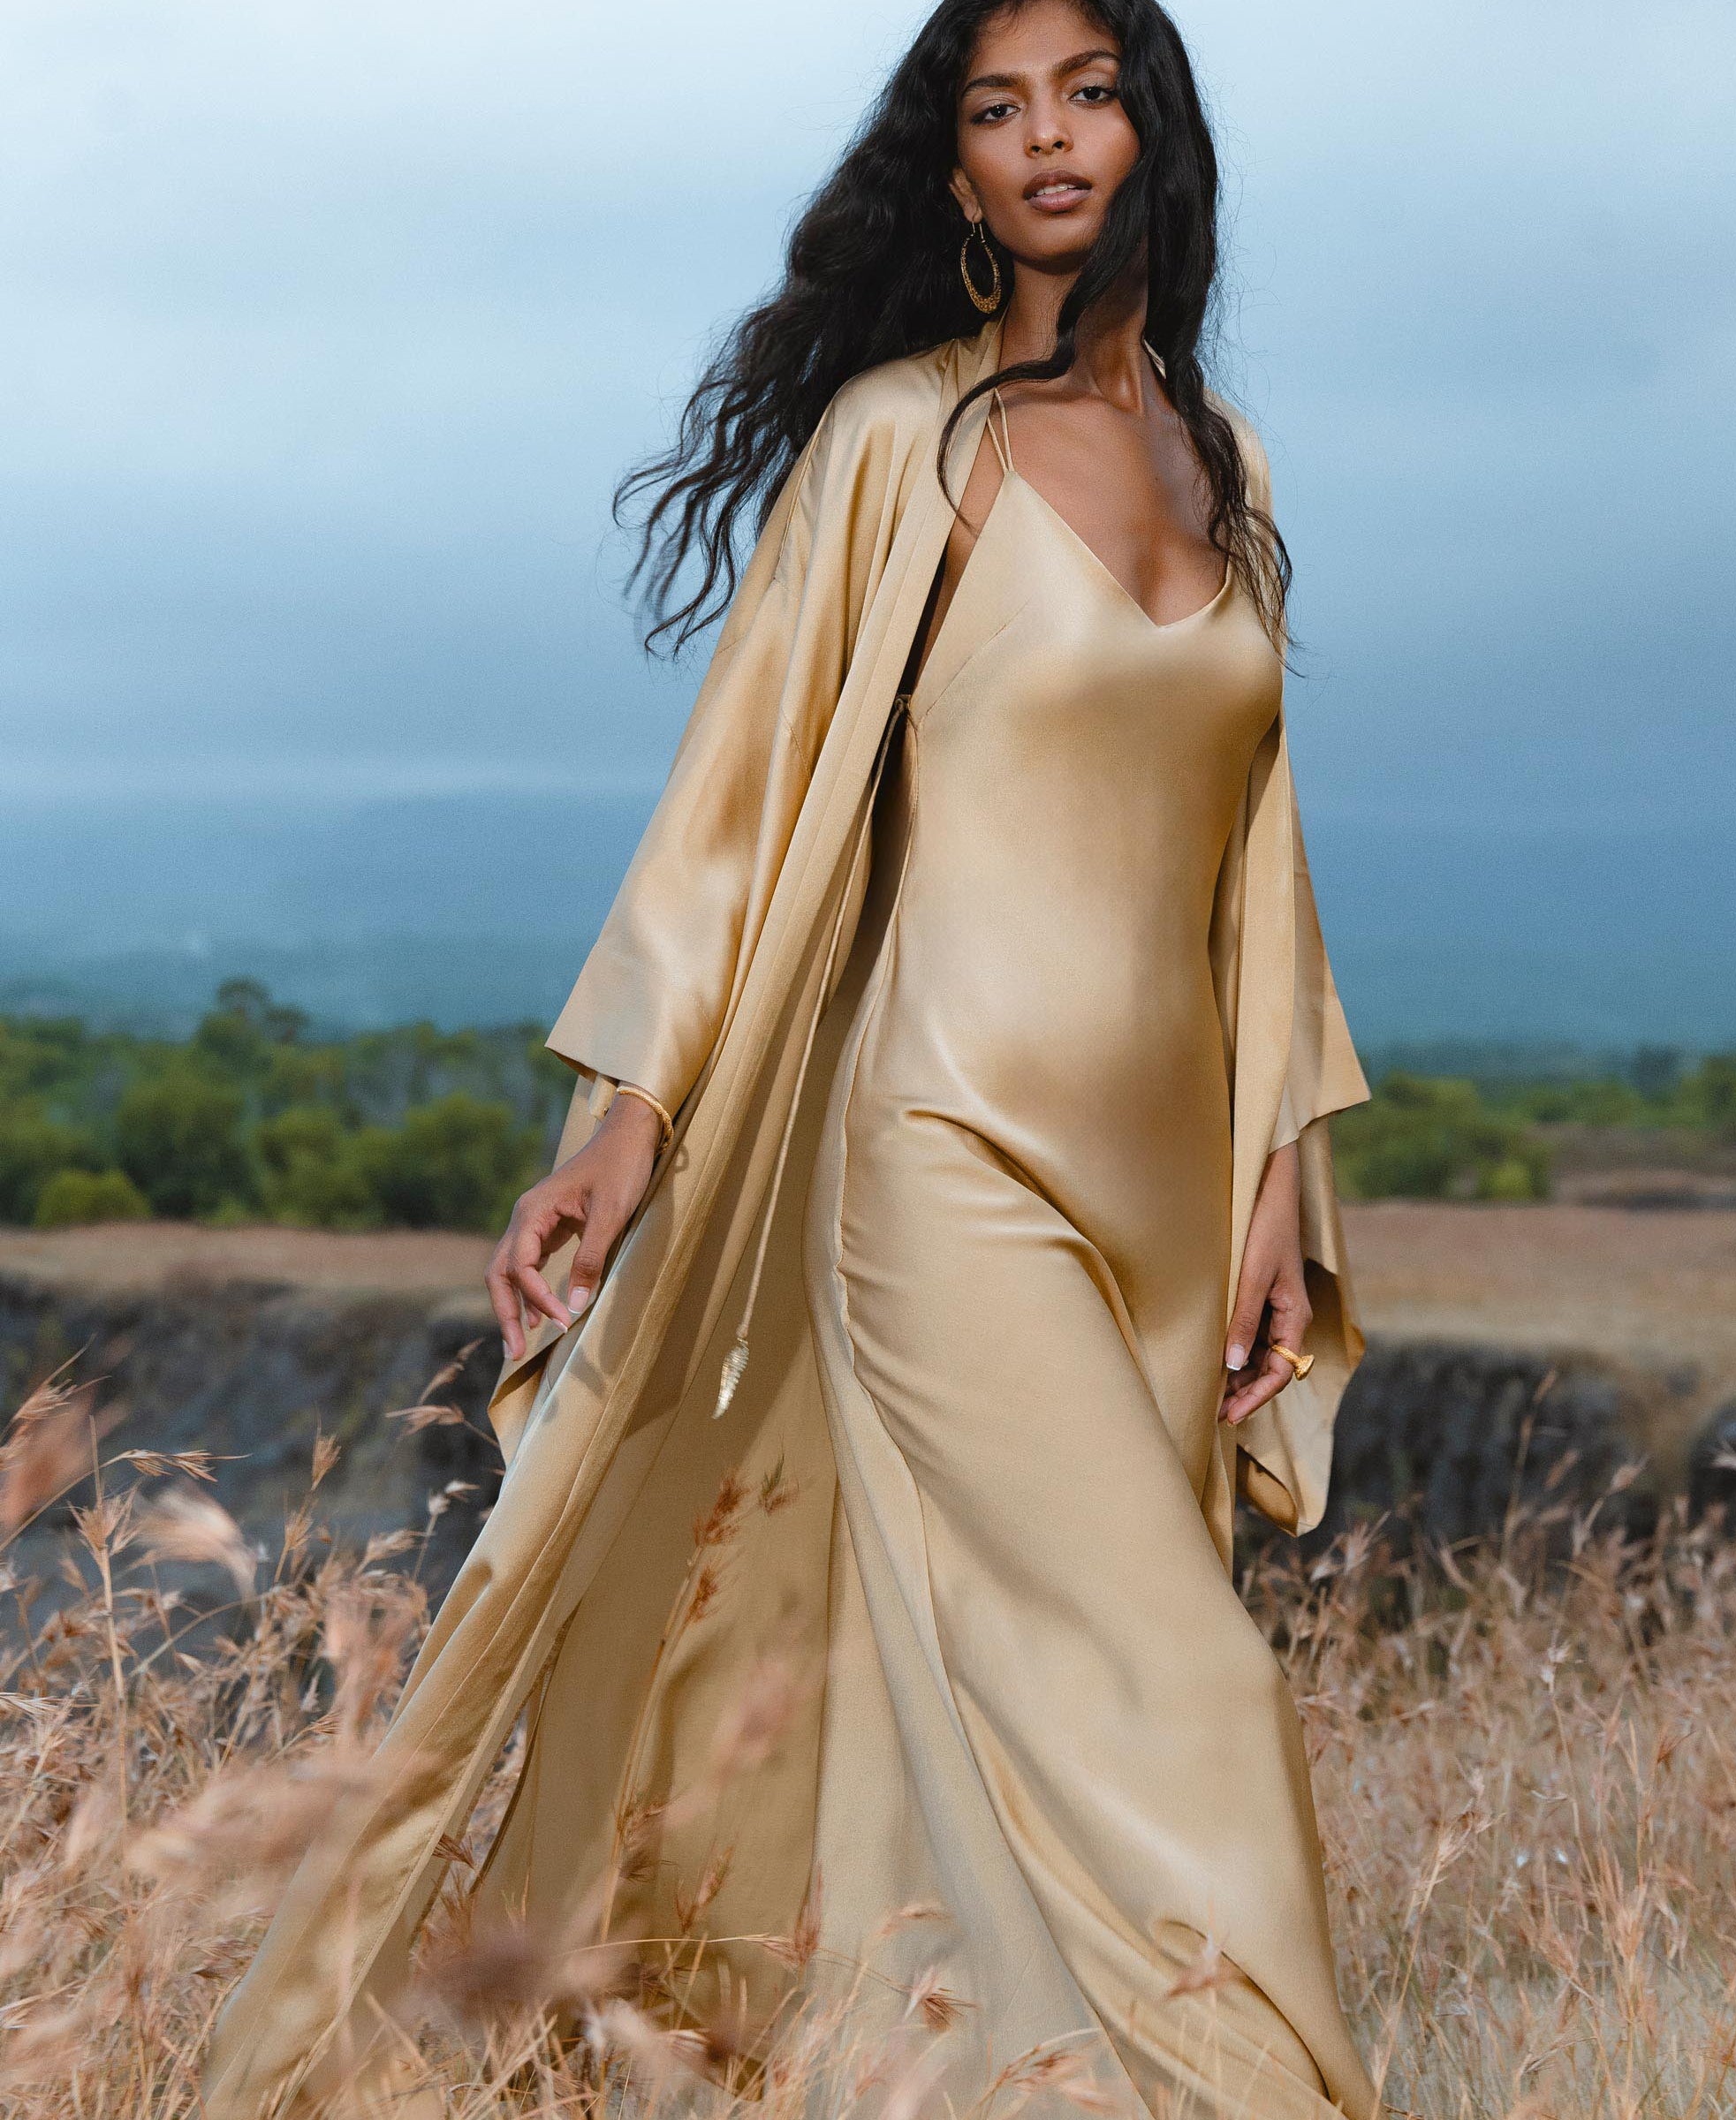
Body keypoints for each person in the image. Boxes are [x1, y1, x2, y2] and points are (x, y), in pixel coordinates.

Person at [201, 3, 1377, 2115]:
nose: (1044, 140)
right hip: (939, 1153)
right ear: (950, 170)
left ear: (1151, 133)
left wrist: (1285, 1179)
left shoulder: (1232, 462)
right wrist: (623, 1122)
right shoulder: (897, 444)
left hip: (1168, 1198)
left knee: (986, 1716)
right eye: (996, 108)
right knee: (1179, 1689)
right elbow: (733, 803)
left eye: (1086, 94)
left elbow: (1254, 858)